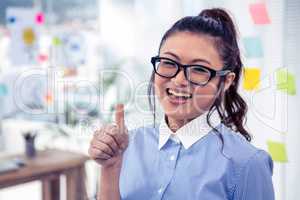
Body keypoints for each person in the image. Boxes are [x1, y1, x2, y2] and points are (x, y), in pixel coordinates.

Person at [88, 8, 275, 200]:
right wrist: (110, 167)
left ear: (226, 81)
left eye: (199, 69)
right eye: (169, 62)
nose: (178, 80)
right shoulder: (127, 145)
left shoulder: (247, 163)